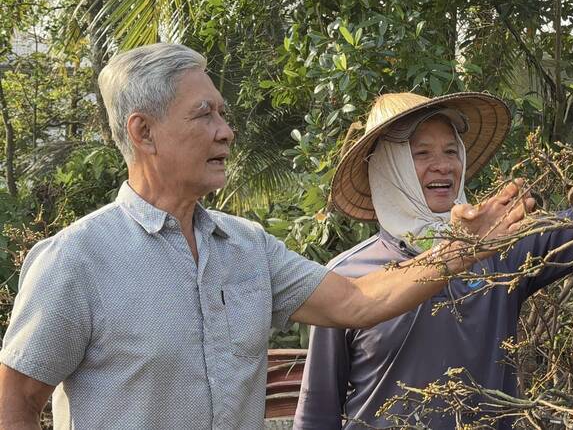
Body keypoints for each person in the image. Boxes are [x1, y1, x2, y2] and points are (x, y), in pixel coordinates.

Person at [0, 44, 534, 430]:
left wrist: (467, 247)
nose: (225, 130)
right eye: (203, 114)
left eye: (223, 114)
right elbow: (16, 401)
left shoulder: (248, 247)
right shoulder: (77, 260)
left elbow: (356, 299)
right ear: (143, 132)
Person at [293, 92, 573, 429]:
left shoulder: (498, 252)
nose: (443, 164)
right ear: (389, 168)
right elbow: (318, 409)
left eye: (451, 151)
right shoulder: (349, 278)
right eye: (422, 153)